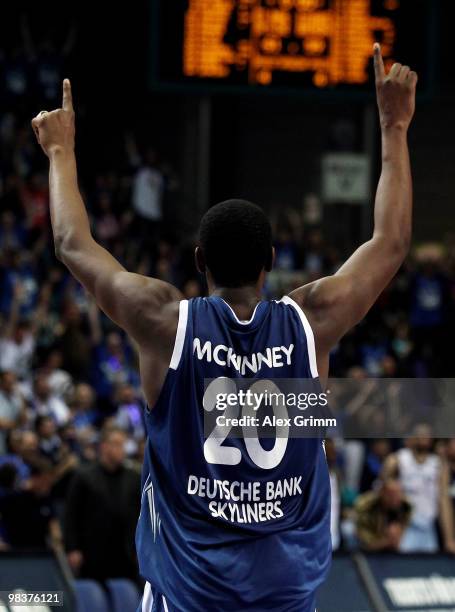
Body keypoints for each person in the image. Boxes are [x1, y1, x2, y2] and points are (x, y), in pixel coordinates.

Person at [31, 44, 417, 611]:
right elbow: (390, 242)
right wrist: (394, 125)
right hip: (283, 593)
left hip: (189, 592)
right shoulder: (310, 322)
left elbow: (70, 243)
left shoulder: (165, 321)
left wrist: (60, 150)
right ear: (271, 261)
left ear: (198, 260)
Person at [63, 426, 140, 582]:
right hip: (92, 552)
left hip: (125, 553)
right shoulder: (83, 476)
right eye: (117, 445)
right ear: (104, 446)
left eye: (123, 445)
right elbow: (71, 515)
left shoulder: (133, 477)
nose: (122, 450)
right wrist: (72, 548)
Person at [382, 423, 455, 553]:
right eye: (421, 433)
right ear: (412, 437)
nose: (424, 437)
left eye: (428, 434)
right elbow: (382, 495)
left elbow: (444, 502)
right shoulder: (397, 460)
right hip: (406, 526)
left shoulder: (438, 465)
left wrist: (449, 539)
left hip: (428, 527)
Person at [355, 478, 411, 552]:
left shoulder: (406, 507)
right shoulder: (367, 509)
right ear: (382, 493)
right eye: (391, 495)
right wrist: (387, 541)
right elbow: (366, 544)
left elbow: (403, 533)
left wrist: (396, 537)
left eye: (398, 494)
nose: (395, 498)